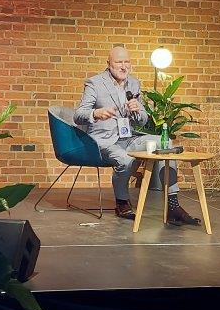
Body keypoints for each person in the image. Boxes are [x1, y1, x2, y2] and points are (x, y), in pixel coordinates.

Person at [75, 45, 201, 225]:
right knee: (125, 159)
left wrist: (137, 111)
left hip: (129, 137)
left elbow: (141, 120)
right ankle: (122, 202)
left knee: (165, 143)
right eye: (119, 62)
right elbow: (78, 115)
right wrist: (96, 113)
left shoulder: (134, 83)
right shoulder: (95, 83)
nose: (123, 66)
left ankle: (173, 206)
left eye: (127, 62)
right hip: (104, 140)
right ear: (109, 63)